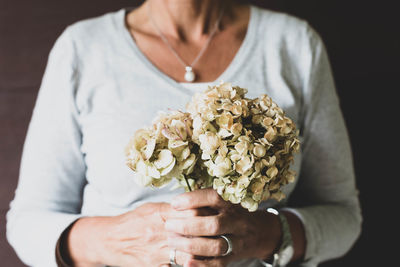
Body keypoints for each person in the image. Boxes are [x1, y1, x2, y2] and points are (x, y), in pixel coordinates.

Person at [6, 0, 362, 266]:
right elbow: (27, 222)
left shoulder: (294, 44)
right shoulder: (83, 48)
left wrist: (265, 235)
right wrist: (118, 240)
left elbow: (344, 216)